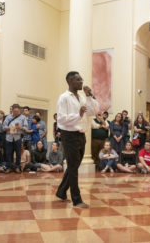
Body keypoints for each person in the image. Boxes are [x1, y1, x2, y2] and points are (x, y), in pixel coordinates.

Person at [55, 71, 99, 209]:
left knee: (74, 166)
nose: (81, 81)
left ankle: (61, 192)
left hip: (81, 135)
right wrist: (78, 115)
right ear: (70, 81)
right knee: (73, 168)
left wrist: (90, 96)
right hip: (69, 135)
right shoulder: (64, 98)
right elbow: (61, 118)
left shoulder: (81, 97)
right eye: (78, 79)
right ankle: (77, 199)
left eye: (81, 79)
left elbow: (93, 111)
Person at [3, 103, 28, 173]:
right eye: (14, 111)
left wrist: (20, 127)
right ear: (12, 110)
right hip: (9, 137)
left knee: (18, 153)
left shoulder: (23, 117)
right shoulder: (8, 117)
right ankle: (8, 167)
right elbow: (3, 127)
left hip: (18, 137)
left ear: (19, 110)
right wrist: (9, 128)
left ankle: (17, 167)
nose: (16, 113)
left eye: (17, 111)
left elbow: (26, 128)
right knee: (8, 153)